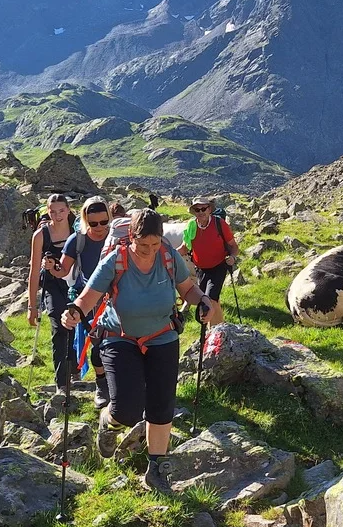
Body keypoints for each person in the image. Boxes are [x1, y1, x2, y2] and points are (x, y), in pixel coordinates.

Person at [62, 209, 222, 493]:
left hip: (162, 336)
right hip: (119, 337)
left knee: (161, 404)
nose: (149, 250)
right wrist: (73, 312)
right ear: (131, 238)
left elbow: (188, 289)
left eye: (155, 244)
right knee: (127, 409)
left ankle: (156, 469)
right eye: (143, 244)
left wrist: (204, 302)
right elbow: (88, 297)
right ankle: (109, 423)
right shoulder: (116, 260)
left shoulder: (169, 257)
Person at [51, 196, 112, 408]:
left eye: (104, 222)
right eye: (93, 223)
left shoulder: (116, 238)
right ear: (85, 220)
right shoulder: (77, 241)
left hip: (115, 298)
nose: (99, 227)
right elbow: (63, 271)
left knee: (116, 342)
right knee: (97, 342)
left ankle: (115, 383)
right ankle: (102, 384)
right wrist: (51, 267)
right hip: (88, 299)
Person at [27, 194, 75, 385]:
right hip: (51, 285)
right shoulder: (40, 236)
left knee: (75, 324)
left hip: (75, 283)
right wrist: (32, 307)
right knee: (58, 325)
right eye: (53, 211)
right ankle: (62, 382)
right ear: (47, 212)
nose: (57, 215)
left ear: (68, 209)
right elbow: (33, 271)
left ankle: (75, 369)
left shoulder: (77, 230)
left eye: (61, 210)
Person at [178, 197, 237, 326]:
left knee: (210, 299)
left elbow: (233, 245)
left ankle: (216, 333)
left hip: (219, 266)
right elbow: (184, 248)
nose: (201, 212)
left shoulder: (219, 224)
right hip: (200, 269)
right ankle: (217, 330)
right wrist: (166, 256)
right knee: (209, 301)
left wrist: (232, 257)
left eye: (204, 208)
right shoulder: (191, 226)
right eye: (197, 209)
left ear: (209, 209)